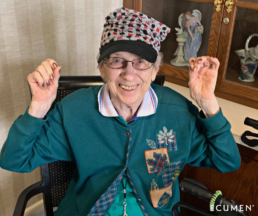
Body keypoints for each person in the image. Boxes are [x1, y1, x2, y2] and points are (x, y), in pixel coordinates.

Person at [0, 7, 241, 216]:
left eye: (140, 62)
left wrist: (208, 103)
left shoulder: (177, 112)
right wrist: (39, 107)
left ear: (154, 70)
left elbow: (227, 161)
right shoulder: (74, 110)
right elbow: (14, 160)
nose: (128, 73)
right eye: (117, 60)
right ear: (102, 69)